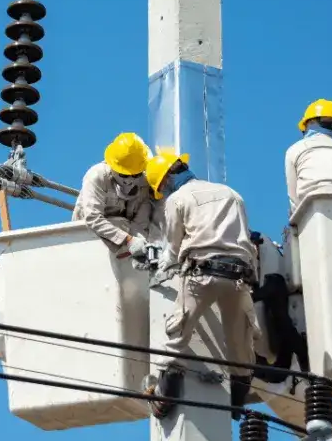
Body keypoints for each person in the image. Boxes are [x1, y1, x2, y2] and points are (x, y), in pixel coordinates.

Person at [149, 168, 261, 417]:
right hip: (238, 277)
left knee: (178, 335)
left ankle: (165, 398)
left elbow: (173, 246)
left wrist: (164, 265)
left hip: (202, 274)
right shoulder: (231, 194)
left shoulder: (177, 199)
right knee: (240, 345)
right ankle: (237, 403)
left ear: (166, 180)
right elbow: (245, 237)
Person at [73, 132, 153, 262]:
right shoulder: (97, 176)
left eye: (136, 175)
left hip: (124, 237)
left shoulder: (143, 184)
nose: (130, 180)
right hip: (87, 235)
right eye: (124, 175)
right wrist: (128, 239)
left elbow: (140, 223)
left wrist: (141, 243)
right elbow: (92, 217)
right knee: (121, 223)